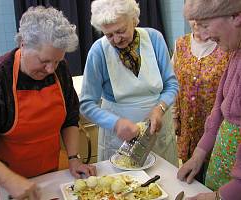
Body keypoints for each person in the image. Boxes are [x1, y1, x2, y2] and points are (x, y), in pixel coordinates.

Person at [0, 6, 96, 200]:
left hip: (47, 176)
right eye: (44, 61)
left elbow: (70, 118)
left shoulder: (59, 70)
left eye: (57, 61)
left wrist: (73, 158)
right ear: (23, 44)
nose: (50, 69)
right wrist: (9, 180)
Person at [79, 0, 179, 166]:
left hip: (158, 133)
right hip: (118, 141)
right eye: (109, 35)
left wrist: (159, 108)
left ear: (134, 19)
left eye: (121, 31)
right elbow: (87, 104)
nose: (117, 39)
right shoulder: (98, 51)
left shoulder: (154, 39)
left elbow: (171, 85)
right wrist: (116, 123)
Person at [177, 0, 241, 199]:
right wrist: (198, 154)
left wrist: (218, 197)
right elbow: (218, 110)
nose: (203, 35)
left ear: (236, 16)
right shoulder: (235, 52)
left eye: (205, 25)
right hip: (224, 177)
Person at [172, 20, 230, 182]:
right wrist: (175, 117)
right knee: (190, 178)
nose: (196, 21)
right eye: (192, 17)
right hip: (187, 127)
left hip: (218, 127)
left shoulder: (226, 45)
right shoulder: (181, 44)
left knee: (212, 179)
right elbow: (173, 82)